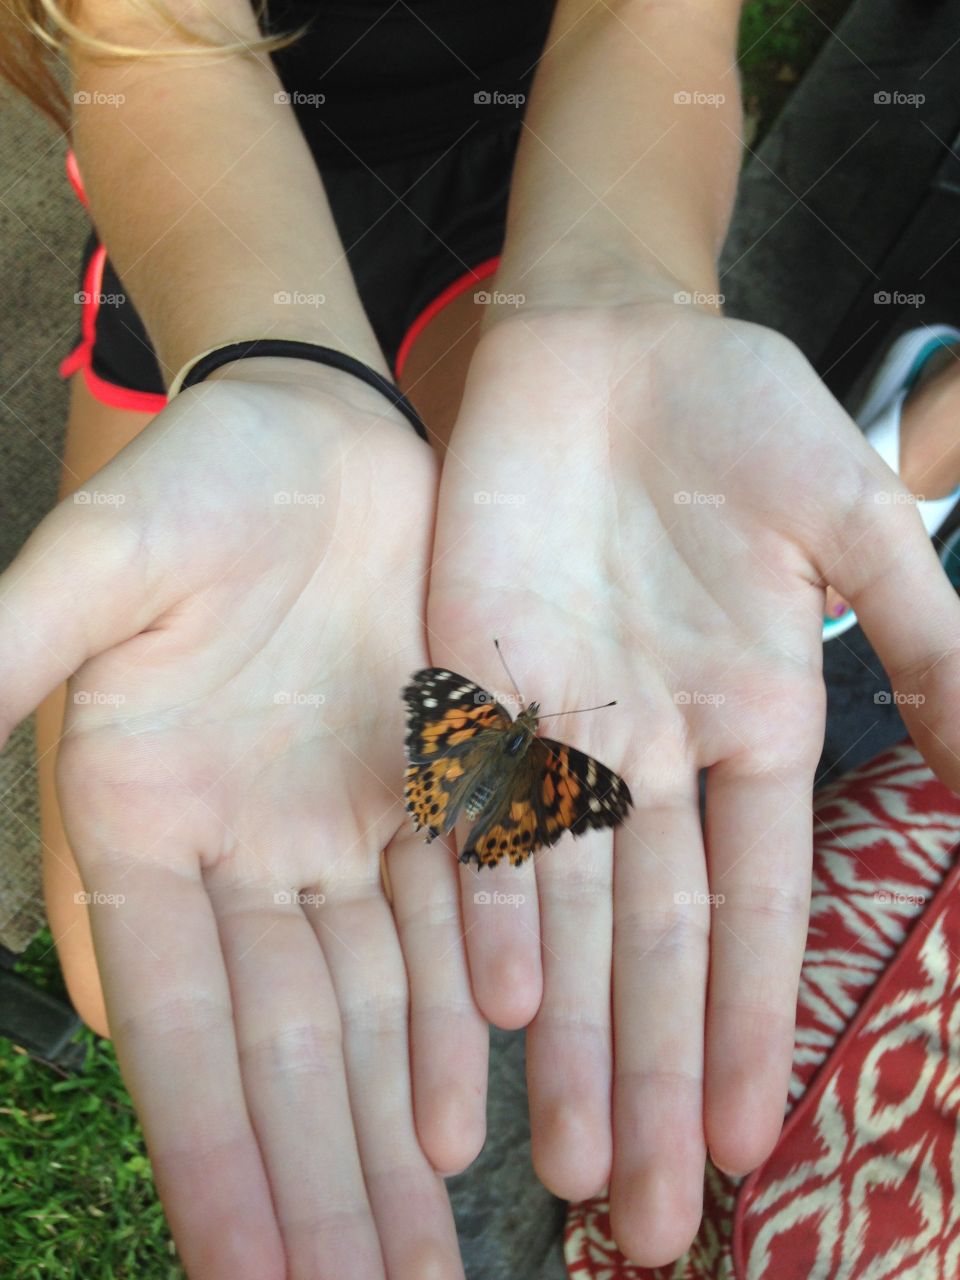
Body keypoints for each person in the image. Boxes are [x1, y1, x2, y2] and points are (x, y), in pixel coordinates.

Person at [3, 0, 960, 1274]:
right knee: (121, 975)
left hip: (540, 197)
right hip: (200, 216)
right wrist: (283, 361)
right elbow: (148, 50)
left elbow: (650, 28)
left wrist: (619, 296)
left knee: (298, 918)